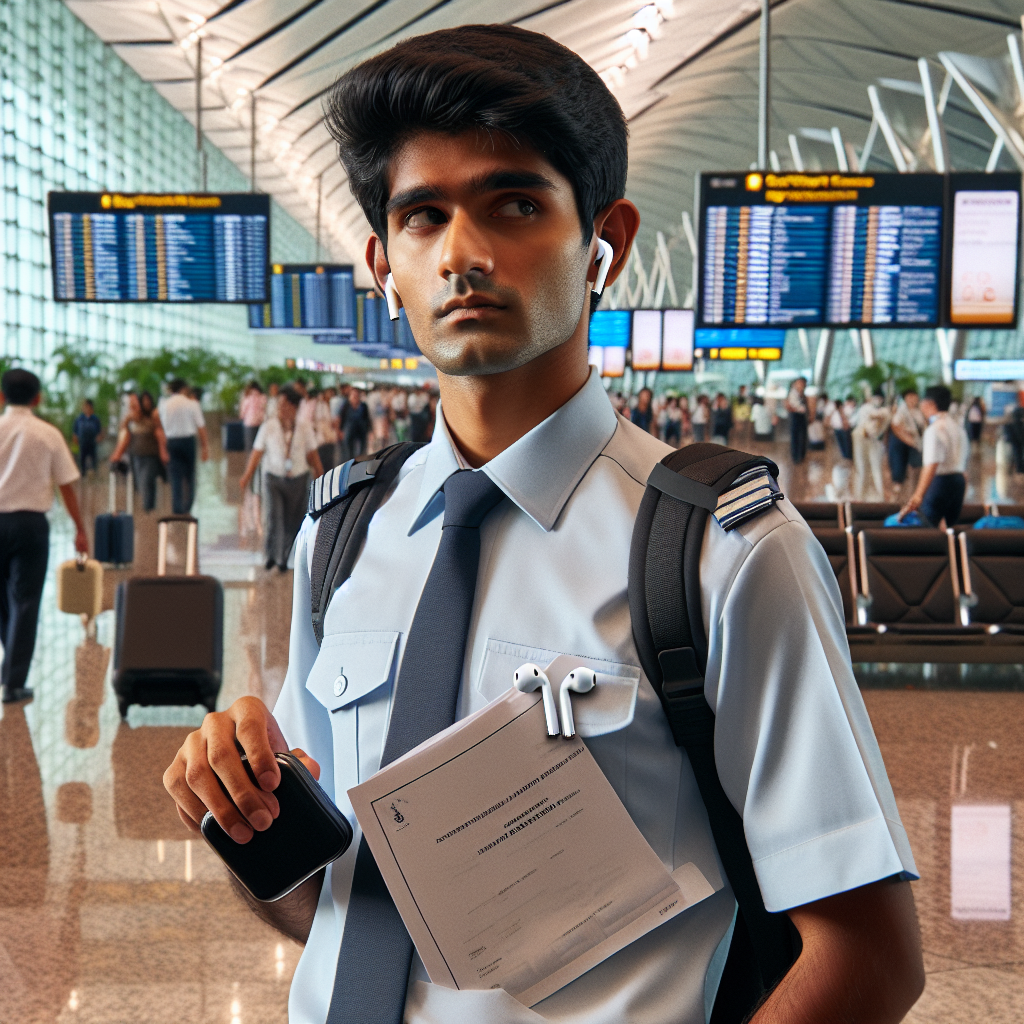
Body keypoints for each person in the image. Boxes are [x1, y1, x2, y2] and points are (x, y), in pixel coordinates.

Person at [164, 26, 923, 1024]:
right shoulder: (341, 535)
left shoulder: (715, 551)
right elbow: (340, 913)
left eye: (514, 204)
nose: (465, 254)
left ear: (604, 242)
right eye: (424, 217)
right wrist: (248, 817)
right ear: (382, 262)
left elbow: (867, 955)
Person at [0, 369, 89, 703]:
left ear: (2, 396)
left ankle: (11, 667)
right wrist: (80, 528)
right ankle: (13, 681)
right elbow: (66, 484)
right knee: (25, 601)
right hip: (30, 526)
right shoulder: (48, 434)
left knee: (4, 601)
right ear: (37, 398)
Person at [239, 387, 323, 571]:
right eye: (279, 404)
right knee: (274, 517)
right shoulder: (268, 426)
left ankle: (286, 558)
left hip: (299, 479)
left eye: (284, 405)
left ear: (293, 407)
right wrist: (246, 476)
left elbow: (313, 454)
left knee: (293, 521)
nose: (280, 408)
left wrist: (321, 476)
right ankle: (271, 556)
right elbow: (257, 453)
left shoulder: (304, 427)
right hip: (273, 479)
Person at [901, 384, 969, 528]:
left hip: (941, 482)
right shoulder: (958, 428)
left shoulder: (934, 429)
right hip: (959, 481)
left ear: (929, 403)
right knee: (950, 529)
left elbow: (931, 465)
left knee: (927, 527)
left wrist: (918, 496)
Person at [108, 391, 169, 512]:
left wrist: (163, 451)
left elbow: (160, 433)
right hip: (135, 455)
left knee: (147, 482)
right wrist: (117, 453)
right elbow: (124, 435)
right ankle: (145, 512)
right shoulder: (133, 417)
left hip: (151, 455)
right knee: (138, 484)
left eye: (148, 400)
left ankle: (148, 510)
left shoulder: (154, 416)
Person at [161, 378, 209, 514]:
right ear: (183, 389)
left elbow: (162, 427)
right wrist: (205, 448)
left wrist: (163, 448)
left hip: (172, 441)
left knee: (175, 476)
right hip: (188, 441)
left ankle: (177, 509)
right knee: (189, 475)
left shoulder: (165, 405)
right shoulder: (192, 404)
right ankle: (188, 507)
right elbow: (201, 427)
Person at [852, 390, 890, 501]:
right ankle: (860, 496)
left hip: (875, 440)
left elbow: (880, 417)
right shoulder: (865, 408)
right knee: (862, 467)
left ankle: (880, 496)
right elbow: (870, 417)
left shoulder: (885, 411)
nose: (877, 400)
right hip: (860, 438)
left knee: (876, 467)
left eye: (879, 398)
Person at [888, 389, 924, 498]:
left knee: (916, 466)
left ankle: (915, 489)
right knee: (899, 463)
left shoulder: (919, 412)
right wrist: (908, 440)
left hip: (915, 442)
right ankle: (898, 487)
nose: (913, 400)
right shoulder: (901, 411)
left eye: (914, 397)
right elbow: (896, 426)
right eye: (910, 397)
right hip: (902, 441)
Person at [71, 399, 102, 473]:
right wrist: (75, 440)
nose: (85, 408)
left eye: (87, 406)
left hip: (92, 442)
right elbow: (75, 431)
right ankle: (82, 473)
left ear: (91, 407)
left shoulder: (95, 419)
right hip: (82, 442)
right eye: (84, 407)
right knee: (82, 458)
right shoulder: (79, 419)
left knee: (94, 458)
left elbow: (99, 431)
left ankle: (95, 473)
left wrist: (99, 437)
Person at [341, 386, 371, 457]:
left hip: (361, 430)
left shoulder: (363, 405)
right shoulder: (346, 406)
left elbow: (367, 418)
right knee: (349, 449)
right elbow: (342, 418)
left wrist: (369, 430)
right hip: (350, 431)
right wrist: (341, 430)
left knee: (362, 448)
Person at [786, 376, 809, 464]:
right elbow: (792, 406)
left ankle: (801, 456)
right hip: (796, 416)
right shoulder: (792, 393)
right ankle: (796, 457)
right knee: (796, 436)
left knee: (802, 436)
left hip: (801, 416)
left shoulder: (801, 394)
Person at [239, 381, 267, 451]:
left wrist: (242, 416)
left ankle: (251, 461)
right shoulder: (263, 397)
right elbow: (265, 408)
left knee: (250, 447)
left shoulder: (247, 397)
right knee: (260, 445)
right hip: (261, 422)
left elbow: (243, 412)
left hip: (249, 423)